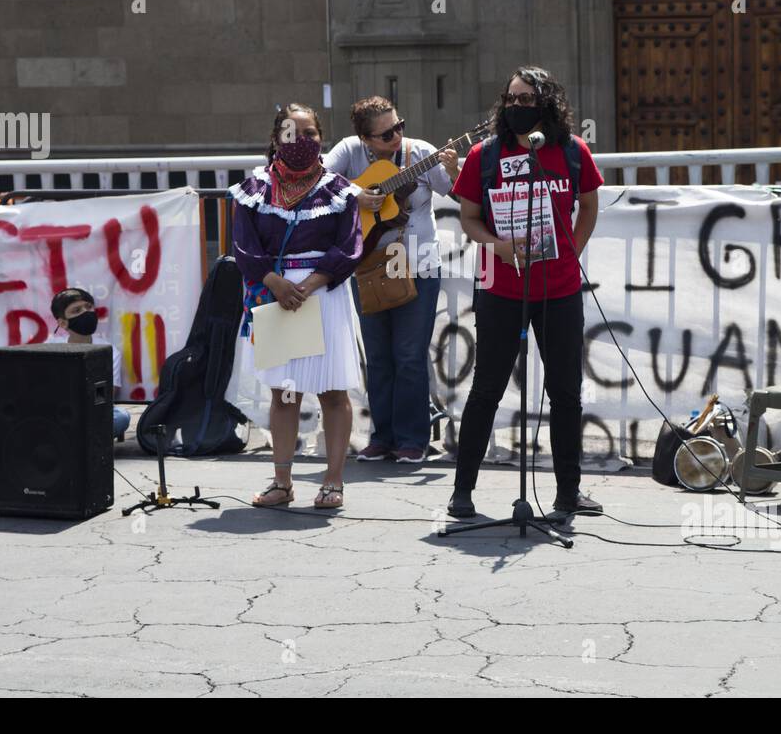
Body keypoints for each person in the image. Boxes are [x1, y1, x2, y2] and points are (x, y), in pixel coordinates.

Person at [447, 66, 604, 520]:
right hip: (501, 290)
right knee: (487, 390)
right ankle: (462, 493)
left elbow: (590, 204)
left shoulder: (571, 152)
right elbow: (469, 218)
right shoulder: (485, 155)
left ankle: (566, 495)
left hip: (559, 289)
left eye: (527, 100)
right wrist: (499, 245)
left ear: (547, 104)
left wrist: (571, 248)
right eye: (510, 99)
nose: (517, 107)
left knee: (565, 394)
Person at [230, 103, 363, 509]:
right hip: (276, 295)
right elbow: (243, 243)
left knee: (332, 391)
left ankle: (333, 483)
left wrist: (309, 284)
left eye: (309, 133)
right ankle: (283, 482)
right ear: (275, 139)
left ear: (321, 138)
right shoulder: (254, 189)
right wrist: (274, 281)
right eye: (292, 133)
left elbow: (349, 245)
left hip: (322, 294)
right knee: (284, 394)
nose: (301, 141)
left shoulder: (338, 188)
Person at [324, 96, 459, 465]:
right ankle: (381, 437)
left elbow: (459, 194)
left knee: (410, 355)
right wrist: (357, 196)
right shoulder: (349, 151)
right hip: (368, 265)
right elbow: (319, 181)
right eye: (386, 135)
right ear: (365, 138)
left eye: (399, 126)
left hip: (417, 265)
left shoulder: (421, 153)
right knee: (379, 356)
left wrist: (455, 170)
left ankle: (413, 439)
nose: (396, 137)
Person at [48, 287, 130, 439]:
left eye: (88, 307)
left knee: (121, 417)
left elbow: (107, 395)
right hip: (57, 413)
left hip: (90, 413)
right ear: (63, 323)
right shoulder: (50, 348)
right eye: (76, 310)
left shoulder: (109, 350)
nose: (86, 312)